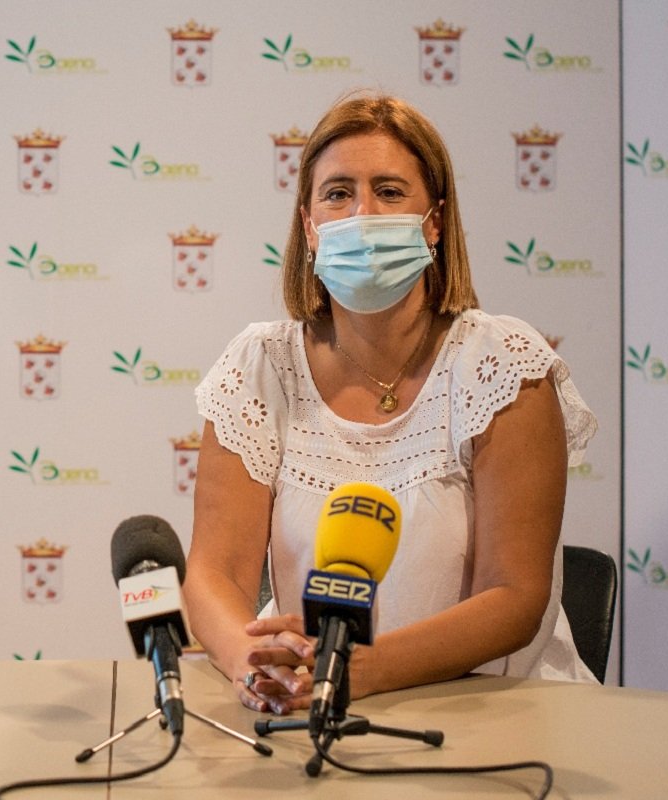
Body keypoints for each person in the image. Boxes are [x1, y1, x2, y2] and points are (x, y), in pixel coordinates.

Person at [185, 92, 598, 715]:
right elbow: (215, 576)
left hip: (495, 714)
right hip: (308, 705)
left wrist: (361, 671)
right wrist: (253, 665)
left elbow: (513, 595)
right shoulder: (259, 366)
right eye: (338, 194)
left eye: (388, 191)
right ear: (309, 226)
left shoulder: (503, 363)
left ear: (433, 220)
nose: (361, 215)